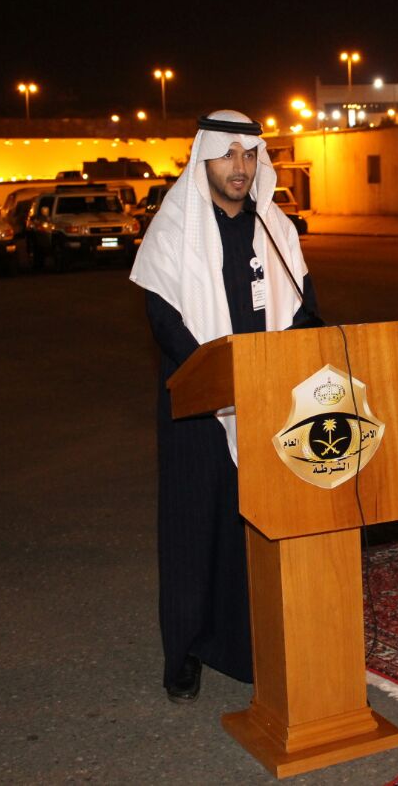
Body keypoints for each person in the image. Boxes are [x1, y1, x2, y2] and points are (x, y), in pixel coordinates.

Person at [129, 110, 320, 704]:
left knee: (256, 529)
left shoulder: (276, 229)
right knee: (195, 529)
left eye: (250, 155)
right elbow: (164, 320)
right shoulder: (173, 229)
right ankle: (184, 654)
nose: (241, 166)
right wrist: (221, 383)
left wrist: (286, 369)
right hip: (199, 406)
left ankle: (249, 645)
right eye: (228, 154)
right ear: (203, 159)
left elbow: (306, 310)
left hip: (270, 401)